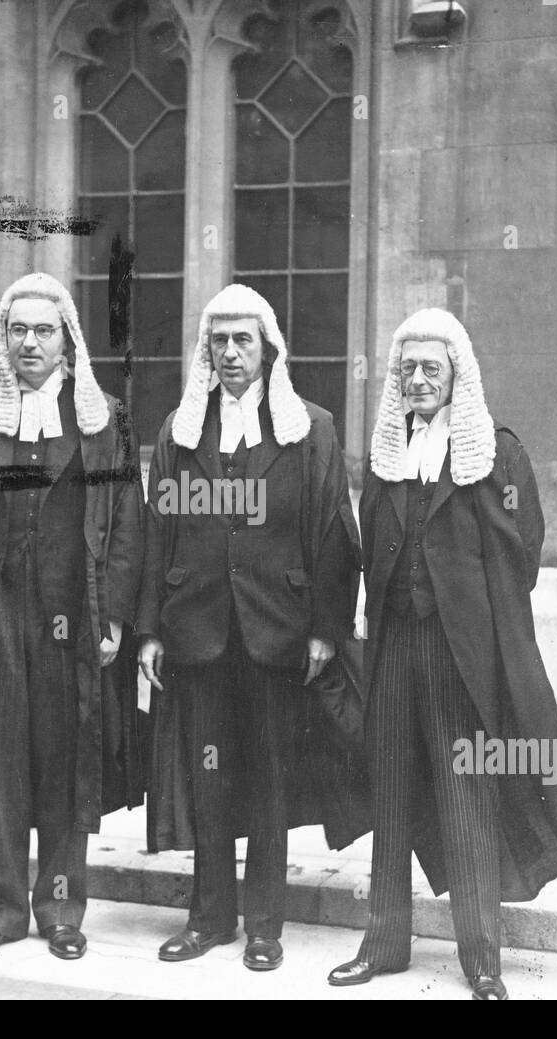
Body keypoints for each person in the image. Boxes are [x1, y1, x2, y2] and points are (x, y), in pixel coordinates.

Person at [329, 307, 557, 999]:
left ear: (458, 375)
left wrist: (480, 633)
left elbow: (524, 554)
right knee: (391, 792)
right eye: (408, 369)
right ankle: (384, 941)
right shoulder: (388, 452)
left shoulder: (495, 452)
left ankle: (480, 955)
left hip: (461, 656)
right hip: (395, 642)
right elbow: (373, 549)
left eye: (432, 367)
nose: (419, 379)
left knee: (465, 796)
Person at [0, 272, 145, 964]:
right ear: (3, 340)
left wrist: (116, 618)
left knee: (65, 759)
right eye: (19, 330)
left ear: (68, 340)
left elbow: (127, 523)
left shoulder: (103, 425)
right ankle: (4, 908)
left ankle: (61, 907)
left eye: (44, 330)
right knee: (1, 761)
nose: (30, 342)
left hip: (72, 615)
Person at [137, 284, 366, 972]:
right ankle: (209, 917)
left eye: (244, 340)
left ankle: (265, 923)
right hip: (198, 630)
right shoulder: (181, 431)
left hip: (278, 631)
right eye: (219, 341)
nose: (231, 353)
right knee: (208, 776)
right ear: (205, 350)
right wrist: (149, 629)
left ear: (269, 349)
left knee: (268, 775)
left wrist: (326, 626)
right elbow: (157, 535)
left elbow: (334, 535)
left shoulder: (309, 429)